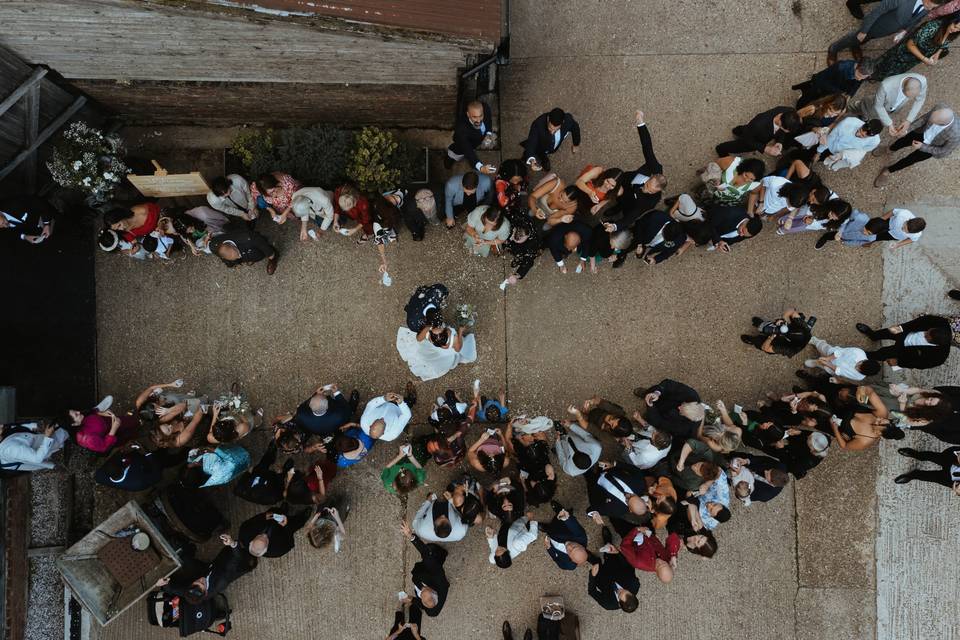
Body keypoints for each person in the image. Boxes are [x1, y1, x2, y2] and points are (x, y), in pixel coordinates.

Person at [828, 0, 943, 65]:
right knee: (856, 37)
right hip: (874, 25)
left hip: (883, 31)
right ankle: (834, 48)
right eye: (930, 6)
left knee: (865, 39)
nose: (929, 9)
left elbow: (916, 20)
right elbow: (877, 12)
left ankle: (855, 46)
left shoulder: (925, 8)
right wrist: (864, 30)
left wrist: (904, 31)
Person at [603, 110, 667, 226]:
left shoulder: (651, 201)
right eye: (647, 185)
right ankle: (616, 202)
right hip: (628, 180)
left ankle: (618, 208)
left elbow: (633, 215)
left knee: (626, 206)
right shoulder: (655, 167)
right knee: (616, 187)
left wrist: (616, 226)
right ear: (651, 176)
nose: (646, 190)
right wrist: (640, 122)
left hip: (633, 202)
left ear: (658, 191)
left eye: (651, 191)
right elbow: (647, 147)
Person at [874, 105, 959, 186]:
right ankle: (890, 149)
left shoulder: (956, 135)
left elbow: (944, 151)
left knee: (910, 159)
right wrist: (907, 130)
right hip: (921, 132)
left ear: (942, 124)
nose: (930, 121)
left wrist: (922, 147)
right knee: (904, 140)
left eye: (934, 122)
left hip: (932, 146)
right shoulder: (939, 108)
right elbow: (923, 119)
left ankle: (887, 171)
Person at [870, 17, 960, 80]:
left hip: (914, 59)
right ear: (951, 21)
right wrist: (924, 59)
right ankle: (867, 75)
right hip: (904, 53)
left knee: (894, 71)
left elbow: (943, 44)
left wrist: (937, 54)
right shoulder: (933, 27)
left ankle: (878, 77)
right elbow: (910, 44)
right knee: (884, 66)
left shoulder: (953, 34)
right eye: (955, 26)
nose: (955, 30)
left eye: (958, 29)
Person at [856, 314, 954, 370]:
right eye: (927, 331)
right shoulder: (941, 322)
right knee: (887, 332)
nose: (924, 334)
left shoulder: (940, 357)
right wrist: (901, 327)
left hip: (904, 351)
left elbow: (919, 364)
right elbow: (917, 322)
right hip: (906, 332)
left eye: (926, 336)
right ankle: (873, 335)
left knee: (883, 353)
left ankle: (863, 355)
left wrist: (899, 362)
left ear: (934, 343)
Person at [849, 72, 927, 137]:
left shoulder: (922, 81)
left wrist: (908, 120)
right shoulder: (886, 85)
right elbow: (878, 105)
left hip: (889, 109)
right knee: (861, 108)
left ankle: (864, 118)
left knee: (874, 116)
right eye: (907, 96)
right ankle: (848, 109)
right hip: (873, 105)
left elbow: (920, 100)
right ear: (902, 88)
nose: (909, 99)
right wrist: (889, 123)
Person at [396, 320, 477, 382]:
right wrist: (460, 332)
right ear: (445, 333)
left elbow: (418, 339)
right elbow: (458, 349)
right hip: (443, 355)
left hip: (432, 351)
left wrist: (428, 328)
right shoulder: (454, 340)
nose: (438, 327)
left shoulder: (430, 335)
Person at [400, 520, 450, 617]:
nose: (421, 589)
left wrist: (411, 599)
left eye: (421, 594)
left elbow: (424, 605)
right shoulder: (437, 577)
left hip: (423, 575)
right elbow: (426, 555)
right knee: (430, 553)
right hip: (431, 570)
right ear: (432, 590)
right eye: (423, 589)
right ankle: (441, 554)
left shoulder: (431, 611)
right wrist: (411, 536)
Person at [715, 107, 802, 157]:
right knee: (741, 143)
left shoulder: (790, 112)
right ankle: (721, 148)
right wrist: (765, 148)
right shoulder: (758, 124)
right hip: (753, 137)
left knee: (745, 129)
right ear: (779, 121)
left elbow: (782, 131)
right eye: (785, 130)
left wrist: (780, 142)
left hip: (754, 131)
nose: (786, 132)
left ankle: (737, 130)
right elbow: (747, 139)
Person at [635, 380, 703, 439]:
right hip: (664, 396)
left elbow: (659, 423)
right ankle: (646, 393)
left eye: (681, 411)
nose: (679, 407)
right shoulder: (692, 395)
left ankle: (648, 410)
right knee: (654, 390)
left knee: (650, 418)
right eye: (683, 404)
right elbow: (668, 383)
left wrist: (651, 408)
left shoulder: (682, 428)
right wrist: (657, 393)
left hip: (662, 413)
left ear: (687, 418)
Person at [238, 502, 311, 558]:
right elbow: (290, 544)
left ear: (251, 542)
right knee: (295, 523)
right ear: (266, 549)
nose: (264, 535)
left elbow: (253, 520)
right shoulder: (276, 551)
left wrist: (272, 515)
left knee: (276, 511)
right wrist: (286, 526)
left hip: (268, 519)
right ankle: (302, 518)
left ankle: (282, 511)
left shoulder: (245, 533)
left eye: (259, 536)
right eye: (265, 539)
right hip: (282, 531)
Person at [792, 58, 875, 107]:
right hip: (822, 87)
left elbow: (857, 84)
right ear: (857, 66)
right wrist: (839, 93)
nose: (860, 79)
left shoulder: (864, 73)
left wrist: (850, 95)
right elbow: (821, 79)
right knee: (807, 98)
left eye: (863, 78)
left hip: (835, 91)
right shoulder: (840, 68)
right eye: (859, 76)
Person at [587, 539, 640, 613]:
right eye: (626, 590)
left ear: (619, 604)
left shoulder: (608, 604)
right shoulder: (635, 584)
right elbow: (628, 567)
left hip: (601, 578)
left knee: (595, 562)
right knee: (608, 550)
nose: (621, 589)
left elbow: (592, 592)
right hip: (613, 565)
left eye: (620, 593)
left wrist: (592, 576)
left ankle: (593, 560)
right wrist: (618, 553)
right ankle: (607, 541)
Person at [521, 108, 582, 172]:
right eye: (550, 128)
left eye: (556, 130)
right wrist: (531, 159)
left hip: (550, 147)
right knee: (535, 152)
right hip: (540, 146)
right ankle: (525, 158)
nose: (552, 132)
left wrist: (576, 143)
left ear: (563, 122)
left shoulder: (568, 120)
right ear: (548, 119)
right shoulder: (538, 124)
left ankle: (544, 159)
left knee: (546, 154)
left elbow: (575, 127)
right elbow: (531, 142)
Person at [583, 463, 650, 521]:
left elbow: (593, 509)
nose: (627, 495)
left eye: (627, 500)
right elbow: (635, 470)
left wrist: (593, 513)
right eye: (632, 495)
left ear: (630, 510)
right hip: (608, 468)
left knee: (586, 470)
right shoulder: (639, 484)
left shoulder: (617, 511)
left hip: (595, 483)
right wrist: (615, 464)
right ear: (641, 498)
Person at [208, 220, 279, 274]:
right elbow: (212, 244)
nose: (239, 256)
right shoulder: (214, 246)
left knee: (263, 251)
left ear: (232, 246)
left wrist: (271, 255)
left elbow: (263, 245)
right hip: (244, 250)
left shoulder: (248, 237)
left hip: (255, 244)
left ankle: (274, 258)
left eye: (237, 254)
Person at [447, 100, 497, 175]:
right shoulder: (461, 130)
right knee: (454, 156)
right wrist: (481, 167)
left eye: (481, 116)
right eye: (474, 117)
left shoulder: (485, 108)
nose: (479, 120)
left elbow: (488, 121)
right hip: (460, 148)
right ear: (468, 114)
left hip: (474, 143)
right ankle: (447, 164)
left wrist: (488, 133)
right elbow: (469, 152)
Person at [0, 421, 69, 472]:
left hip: (39, 438)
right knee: (66, 430)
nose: (1, 425)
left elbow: (17, 426)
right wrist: (48, 437)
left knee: (63, 429)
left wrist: (35, 426)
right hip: (44, 444)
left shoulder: (4, 433)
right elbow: (36, 458)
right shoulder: (8, 449)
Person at [741, 309, 816, 356]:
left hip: (777, 343)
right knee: (773, 325)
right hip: (782, 331)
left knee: (760, 342)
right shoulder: (804, 328)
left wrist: (771, 337)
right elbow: (792, 311)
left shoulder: (790, 350)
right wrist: (783, 320)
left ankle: (752, 340)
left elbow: (766, 348)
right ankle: (761, 324)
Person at [816, 117, 883, 169]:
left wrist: (842, 155)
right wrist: (818, 152)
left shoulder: (874, 142)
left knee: (824, 160)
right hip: (829, 144)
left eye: (862, 136)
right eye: (859, 130)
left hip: (841, 154)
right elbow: (831, 136)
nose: (858, 134)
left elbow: (861, 151)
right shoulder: (848, 122)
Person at [804, 337, 881, 381]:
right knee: (823, 347)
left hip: (833, 367)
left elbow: (841, 371)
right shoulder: (859, 352)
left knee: (823, 365)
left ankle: (816, 363)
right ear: (865, 360)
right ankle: (816, 341)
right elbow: (840, 352)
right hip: (833, 354)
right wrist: (828, 359)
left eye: (859, 369)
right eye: (860, 364)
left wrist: (827, 364)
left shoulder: (859, 377)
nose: (857, 367)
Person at [542, 503, 592, 570]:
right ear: (581, 546)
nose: (569, 546)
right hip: (560, 526)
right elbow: (574, 526)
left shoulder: (568, 565)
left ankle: (547, 529)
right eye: (574, 547)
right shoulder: (582, 538)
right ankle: (560, 510)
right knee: (557, 520)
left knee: (549, 530)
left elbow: (556, 559)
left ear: (571, 559)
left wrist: (549, 547)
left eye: (570, 552)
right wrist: (566, 518)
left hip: (552, 538)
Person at [699, 156, 765, 206]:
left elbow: (754, 193)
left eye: (751, 179)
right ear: (743, 168)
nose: (746, 180)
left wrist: (750, 210)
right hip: (712, 189)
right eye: (746, 175)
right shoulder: (731, 162)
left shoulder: (757, 184)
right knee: (703, 195)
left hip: (728, 200)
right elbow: (716, 165)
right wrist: (717, 178)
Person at [894, 446, 960, 494]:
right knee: (936, 457)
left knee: (933, 477)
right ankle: (917, 455)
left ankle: (913, 475)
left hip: (954, 480)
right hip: (954, 459)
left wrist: (958, 491)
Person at [501, 215, 543, 289]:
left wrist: (517, 275)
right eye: (513, 236)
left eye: (517, 240)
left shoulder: (532, 245)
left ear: (526, 236)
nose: (512, 239)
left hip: (524, 249)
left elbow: (528, 262)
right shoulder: (517, 220)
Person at [183, 444, 250, 488]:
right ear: (196, 465)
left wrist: (195, 452)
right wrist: (213, 449)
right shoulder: (218, 472)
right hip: (243, 456)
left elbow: (191, 458)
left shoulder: (195, 465)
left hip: (231, 449)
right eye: (193, 463)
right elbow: (233, 463)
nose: (191, 462)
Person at [747, 176, 811, 219]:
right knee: (748, 210)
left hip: (770, 211)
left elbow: (787, 209)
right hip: (758, 201)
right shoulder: (776, 183)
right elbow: (762, 183)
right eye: (789, 202)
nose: (789, 205)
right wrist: (761, 202)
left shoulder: (797, 202)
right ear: (789, 194)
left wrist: (773, 216)